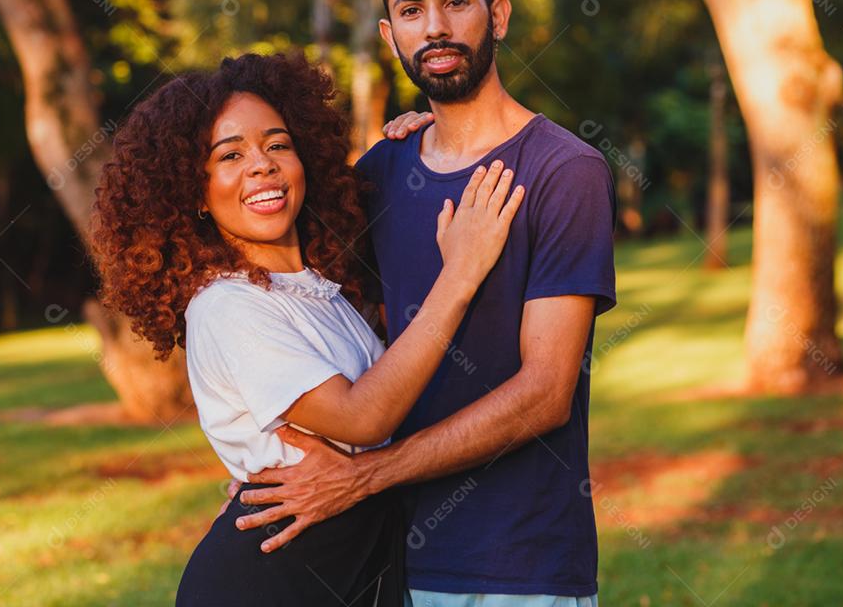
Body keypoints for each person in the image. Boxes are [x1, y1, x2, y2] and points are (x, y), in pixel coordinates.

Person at [233, 0, 617, 607]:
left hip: (518, 569)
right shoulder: (382, 171)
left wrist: (368, 475)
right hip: (387, 562)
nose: (434, 27)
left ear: (496, 15)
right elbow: (334, 332)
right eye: (412, 11)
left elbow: (546, 393)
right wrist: (260, 457)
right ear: (390, 37)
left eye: (455, 2)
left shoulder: (564, 171)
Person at [88, 51, 524, 606]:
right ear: (193, 193)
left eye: (277, 144)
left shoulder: (319, 291)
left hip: (353, 568)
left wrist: (423, 138)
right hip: (272, 582)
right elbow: (363, 417)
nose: (261, 165)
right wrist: (460, 275)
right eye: (229, 154)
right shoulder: (227, 306)